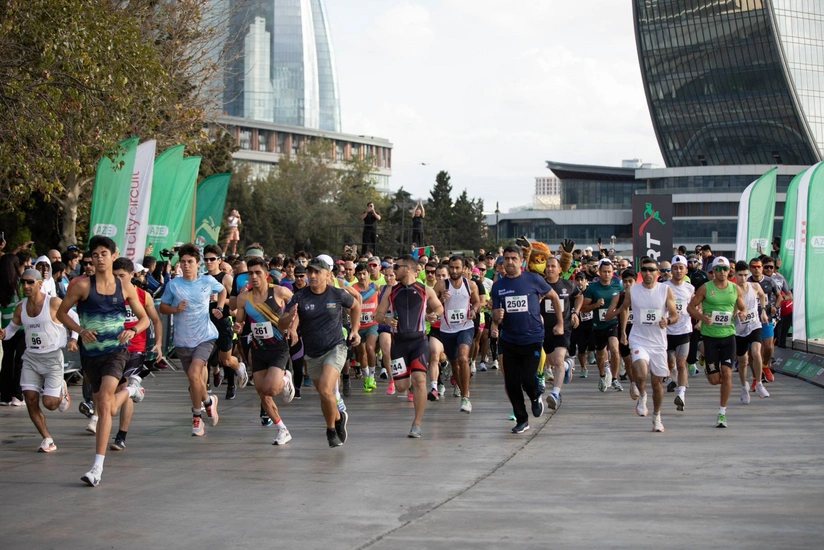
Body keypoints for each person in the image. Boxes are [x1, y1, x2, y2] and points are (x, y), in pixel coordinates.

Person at [57, 235, 149, 487]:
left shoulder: (125, 287)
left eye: (103, 254)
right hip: (91, 354)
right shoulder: (82, 285)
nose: (98, 259)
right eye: (95, 255)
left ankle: (96, 467)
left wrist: (132, 331)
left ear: (113, 254)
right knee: (103, 406)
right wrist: (80, 329)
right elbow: (61, 312)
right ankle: (131, 388)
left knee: (107, 402)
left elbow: (144, 319)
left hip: (116, 352)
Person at [278, 257, 361, 447]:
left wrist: (355, 330)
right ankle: (339, 417)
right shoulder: (299, 297)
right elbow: (280, 323)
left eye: (317, 272)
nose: (312, 276)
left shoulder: (337, 294)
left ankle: (331, 430)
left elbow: (355, 306)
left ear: (327, 274)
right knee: (324, 395)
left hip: (336, 347)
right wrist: (288, 319)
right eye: (310, 272)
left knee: (326, 389)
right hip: (312, 353)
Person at [0, 268, 76, 452]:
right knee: (30, 398)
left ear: (40, 283)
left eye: (30, 282)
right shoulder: (21, 307)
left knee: (50, 404)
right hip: (31, 358)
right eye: (23, 282)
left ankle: (61, 390)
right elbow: (11, 329)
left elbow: (73, 318)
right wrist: (3, 334)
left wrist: (74, 338)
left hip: (52, 358)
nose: (25, 286)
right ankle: (47, 439)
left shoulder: (54, 303)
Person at [158, 243, 227, 437]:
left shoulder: (206, 281)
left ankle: (196, 417)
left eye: (190, 262)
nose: (186, 265)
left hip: (205, 336)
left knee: (195, 374)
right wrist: (175, 309)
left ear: (198, 264)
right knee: (193, 379)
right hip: (182, 340)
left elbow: (222, 291)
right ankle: (207, 402)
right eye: (183, 262)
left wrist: (219, 308)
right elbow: (163, 307)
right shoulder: (174, 285)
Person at [490, 245, 561, 434]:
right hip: (509, 339)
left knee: (528, 378)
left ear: (521, 260)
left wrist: (560, 323)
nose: (510, 262)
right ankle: (522, 419)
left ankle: (536, 395)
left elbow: (553, 297)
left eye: (514, 258)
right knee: (511, 383)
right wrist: (496, 318)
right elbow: (496, 316)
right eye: (507, 258)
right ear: (502, 262)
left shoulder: (533, 279)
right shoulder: (498, 286)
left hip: (532, 338)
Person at [375, 254, 443, 437]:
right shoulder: (391, 291)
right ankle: (411, 384)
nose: (393, 271)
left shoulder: (425, 290)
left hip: (419, 342)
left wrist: (433, 315)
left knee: (420, 380)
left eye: (396, 267)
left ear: (407, 269)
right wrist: (387, 319)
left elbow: (439, 308)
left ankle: (416, 423)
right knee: (401, 387)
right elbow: (377, 315)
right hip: (399, 344)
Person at [609, 258, 678, 433]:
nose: (648, 273)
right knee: (640, 373)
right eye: (645, 270)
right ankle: (642, 395)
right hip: (639, 338)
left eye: (651, 270)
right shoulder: (633, 290)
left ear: (657, 273)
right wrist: (623, 331)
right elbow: (624, 309)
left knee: (657, 384)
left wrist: (667, 320)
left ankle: (657, 416)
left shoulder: (665, 290)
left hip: (658, 343)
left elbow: (675, 314)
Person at [233, 256, 296, 446]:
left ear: (266, 275)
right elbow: (240, 321)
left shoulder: (279, 291)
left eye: (257, 273)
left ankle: (285, 378)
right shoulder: (244, 298)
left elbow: (296, 308)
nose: (253, 277)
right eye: (250, 273)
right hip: (257, 348)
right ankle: (282, 430)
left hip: (278, 348)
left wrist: (292, 329)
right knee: (262, 392)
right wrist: (237, 326)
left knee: (272, 388)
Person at [110, 257, 164, 451]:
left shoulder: (142, 296)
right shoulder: (107, 295)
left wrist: (158, 344)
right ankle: (135, 390)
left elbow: (155, 320)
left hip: (136, 348)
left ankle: (121, 436)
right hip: (113, 349)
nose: (118, 280)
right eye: (114, 276)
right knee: (120, 391)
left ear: (132, 275)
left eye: (122, 276)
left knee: (124, 389)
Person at [687, 257, 747, 428]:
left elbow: (743, 307)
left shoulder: (735, 289)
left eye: (725, 269)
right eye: (718, 269)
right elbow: (690, 307)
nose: (722, 272)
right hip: (710, 337)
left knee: (727, 374)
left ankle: (722, 412)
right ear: (713, 271)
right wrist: (701, 317)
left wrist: (742, 313)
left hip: (728, 336)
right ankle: (705, 359)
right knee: (715, 380)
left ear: (730, 271)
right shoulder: (706, 288)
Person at [434, 256, 481, 413]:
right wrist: (441, 299)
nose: (454, 271)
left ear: (464, 268)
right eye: (452, 268)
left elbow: (477, 302)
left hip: (465, 327)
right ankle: (462, 392)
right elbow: (429, 308)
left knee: (463, 358)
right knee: (454, 364)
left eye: (457, 268)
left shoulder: (470, 285)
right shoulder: (441, 285)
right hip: (447, 330)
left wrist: (474, 310)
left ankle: (466, 397)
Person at [582, 259, 623, 392]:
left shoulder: (618, 286)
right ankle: (602, 375)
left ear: (613, 273)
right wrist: (595, 304)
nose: (607, 274)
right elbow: (584, 308)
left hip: (613, 322)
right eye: (604, 272)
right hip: (598, 325)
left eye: (609, 272)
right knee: (600, 353)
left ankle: (615, 378)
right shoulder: (592, 288)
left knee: (615, 349)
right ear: (599, 272)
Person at [732, 261, 770, 403]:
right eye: (740, 275)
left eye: (745, 275)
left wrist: (763, 310)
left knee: (756, 352)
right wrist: (737, 312)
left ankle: (759, 383)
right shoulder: (732, 290)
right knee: (743, 361)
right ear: (735, 275)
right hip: (739, 330)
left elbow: (762, 296)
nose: (743, 278)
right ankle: (743, 387)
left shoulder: (754, 286)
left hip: (754, 325)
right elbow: (730, 311)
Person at [663, 255, 695, 411]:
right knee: (670, 362)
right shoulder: (663, 287)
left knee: (682, 363)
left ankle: (681, 394)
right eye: (675, 268)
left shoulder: (690, 288)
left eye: (681, 267)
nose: (678, 270)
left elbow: (695, 306)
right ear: (671, 270)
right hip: (667, 331)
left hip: (684, 330)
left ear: (686, 270)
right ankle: (672, 376)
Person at [750, 257, 781, 383]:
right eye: (754, 267)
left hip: (766, 318)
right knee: (752, 352)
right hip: (750, 321)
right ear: (750, 268)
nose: (757, 269)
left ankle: (764, 366)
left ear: (761, 268)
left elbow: (779, 296)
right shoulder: (746, 282)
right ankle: (755, 377)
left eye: (759, 266)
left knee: (768, 347)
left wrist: (775, 306)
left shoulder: (769, 281)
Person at [1, 253, 26, 406]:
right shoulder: (20, 283)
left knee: (7, 360)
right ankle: (17, 395)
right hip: (21, 325)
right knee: (20, 360)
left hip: (4, 327)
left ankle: (4, 396)